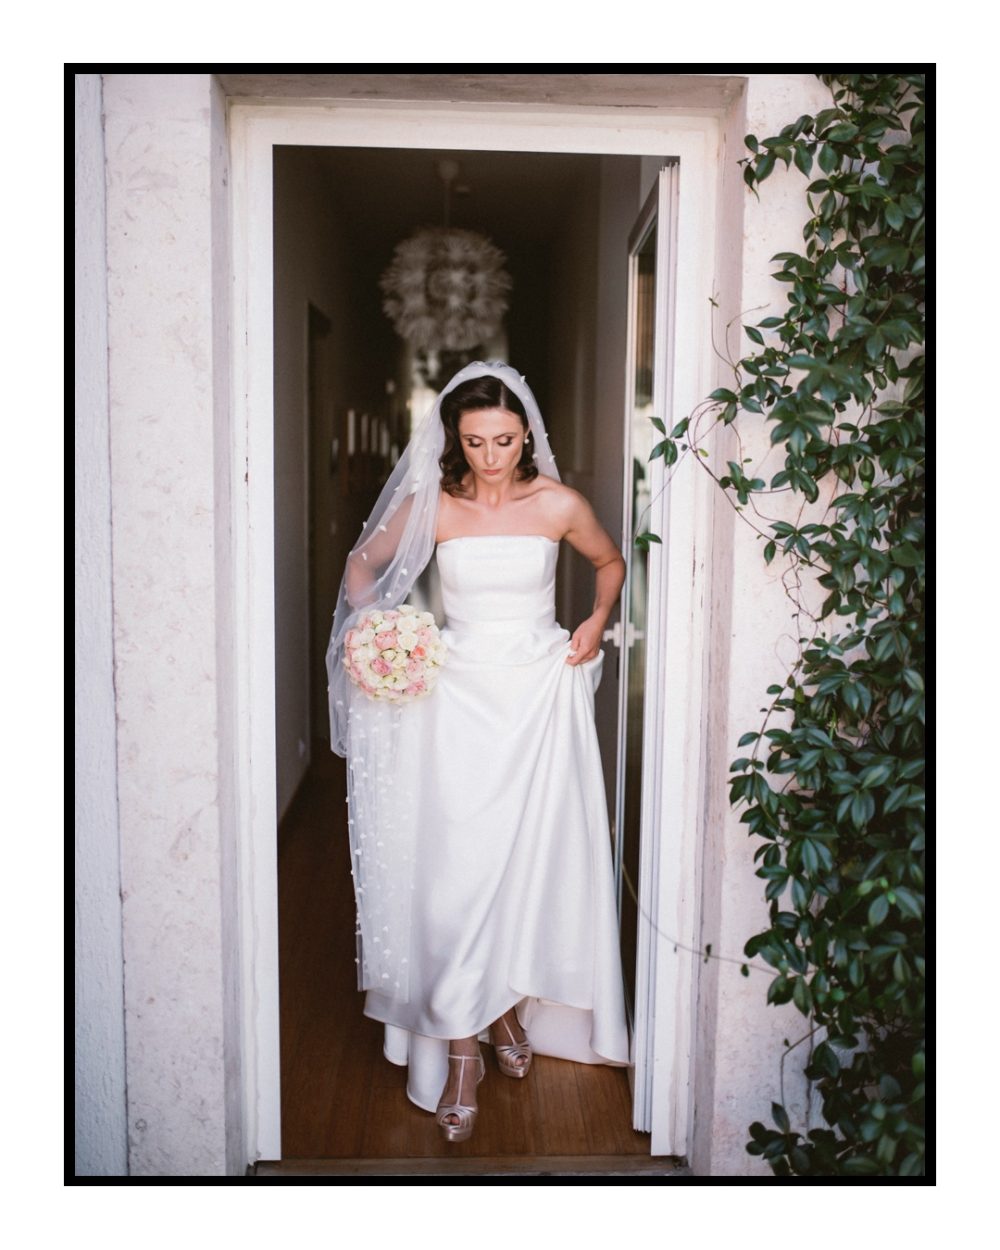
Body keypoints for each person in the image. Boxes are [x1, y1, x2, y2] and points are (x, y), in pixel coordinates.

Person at [327, 361, 631, 1144]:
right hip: (453, 698)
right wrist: (376, 623)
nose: (490, 456)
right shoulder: (436, 504)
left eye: (502, 440)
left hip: (535, 695)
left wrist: (596, 621)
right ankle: (464, 1049)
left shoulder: (558, 503)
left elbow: (609, 563)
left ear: (524, 431)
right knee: (458, 872)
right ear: (454, 440)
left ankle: (501, 1015)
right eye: (474, 442)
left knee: (522, 862)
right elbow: (364, 563)